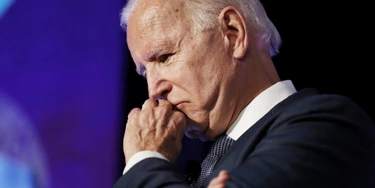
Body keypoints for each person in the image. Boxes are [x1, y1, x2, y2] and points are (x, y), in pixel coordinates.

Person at [113, 0, 375, 187]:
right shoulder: (207, 162)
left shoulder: (328, 126)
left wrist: (144, 159)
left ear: (233, 32)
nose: (154, 91)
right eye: (145, 72)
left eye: (165, 56)